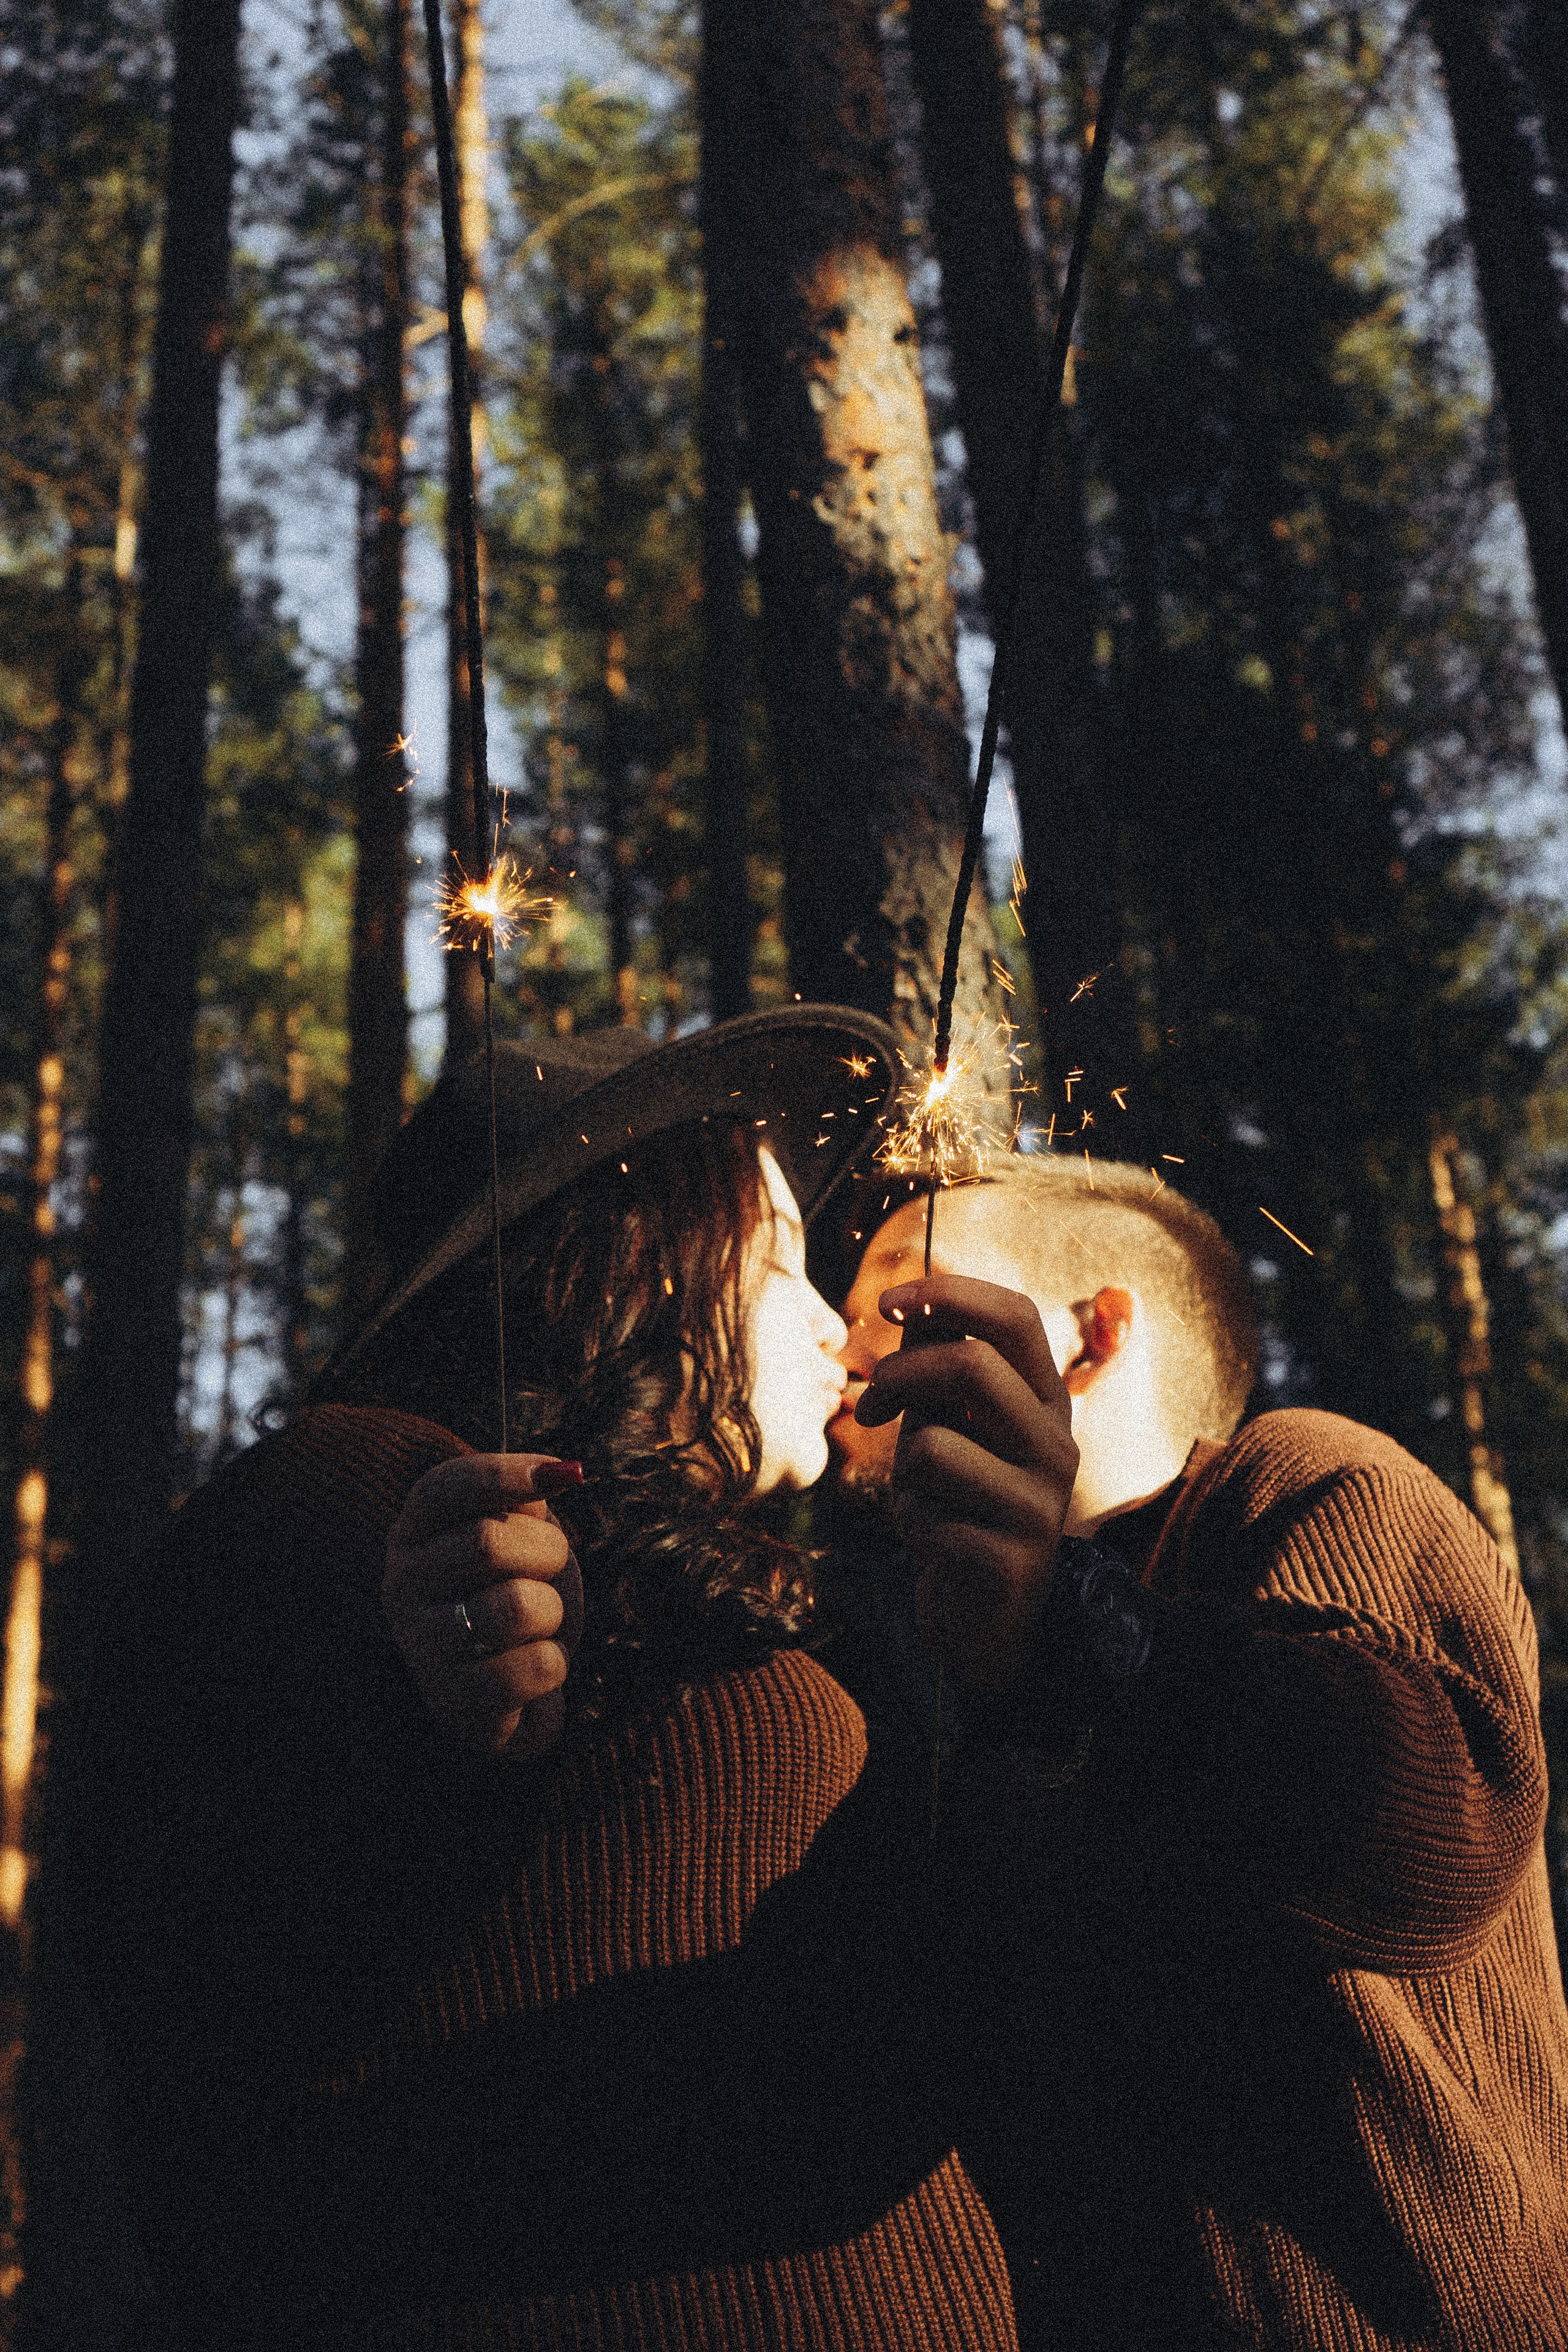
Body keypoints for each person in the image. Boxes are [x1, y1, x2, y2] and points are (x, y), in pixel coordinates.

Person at [67, 1010, 1068, 2351]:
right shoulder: (368, 1487)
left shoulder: (775, 1608)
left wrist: (1045, 1661)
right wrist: (422, 1736)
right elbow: (208, 1970)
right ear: (645, 1259)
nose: (838, 1325)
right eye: (783, 1258)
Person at [831, 1152, 1568, 2351]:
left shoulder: (1303, 1475)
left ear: (1088, 1336)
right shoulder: (947, 1662)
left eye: (897, 1302)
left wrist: (1069, 1629)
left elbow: (1433, 1830)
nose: (845, 1342)